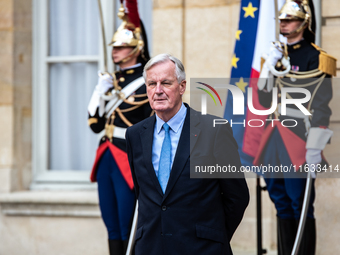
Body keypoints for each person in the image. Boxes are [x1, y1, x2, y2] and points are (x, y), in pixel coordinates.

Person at [125, 53, 249, 255]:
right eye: (151, 84)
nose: (158, 91)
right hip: (151, 248)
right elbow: (144, 195)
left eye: (166, 83)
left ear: (182, 86)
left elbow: (237, 197)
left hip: (203, 249)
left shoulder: (214, 129)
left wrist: (213, 236)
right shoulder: (135, 135)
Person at [254, 1, 336, 254]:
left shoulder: (317, 58)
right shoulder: (275, 57)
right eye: (281, 20)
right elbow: (263, 101)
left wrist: (315, 145)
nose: (283, 24)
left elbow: (321, 106)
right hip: (273, 136)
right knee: (279, 200)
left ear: (303, 23)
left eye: (289, 20)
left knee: (299, 202)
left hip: (299, 139)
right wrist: (269, 69)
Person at [87, 2, 152, 254]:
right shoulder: (110, 81)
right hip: (106, 154)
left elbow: (149, 124)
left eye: (122, 46)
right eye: (115, 46)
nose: (116, 51)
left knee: (128, 223)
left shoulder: (145, 82)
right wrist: (98, 92)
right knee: (111, 224)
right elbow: (95, 125)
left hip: (129, 155)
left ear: (136, 48)